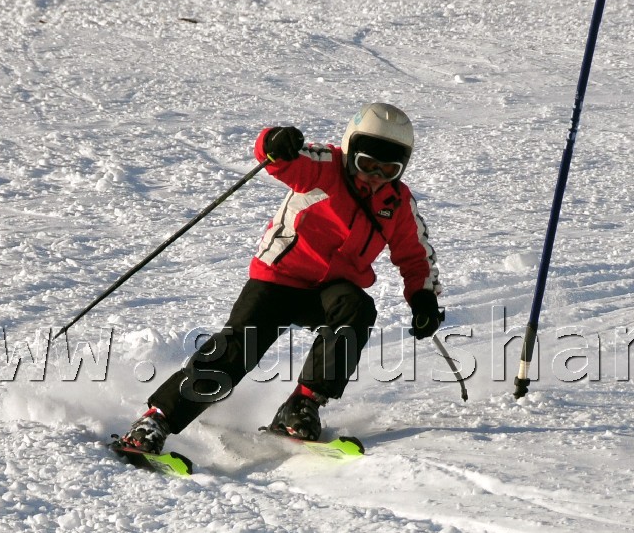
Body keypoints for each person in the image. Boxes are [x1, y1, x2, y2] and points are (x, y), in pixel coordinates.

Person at [118, 102, 443, 454]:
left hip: (331, 290)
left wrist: (422, 297)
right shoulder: (323, 167)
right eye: (367, 164)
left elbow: (415, 254)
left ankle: (301, 405)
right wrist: (275, 142)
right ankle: (158, 419)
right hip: (279, 279)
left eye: (389, 169)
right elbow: (282, 160)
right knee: (239, 347)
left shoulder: (397, 202)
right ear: (350, 151)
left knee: (357, 309)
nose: (375, 175)